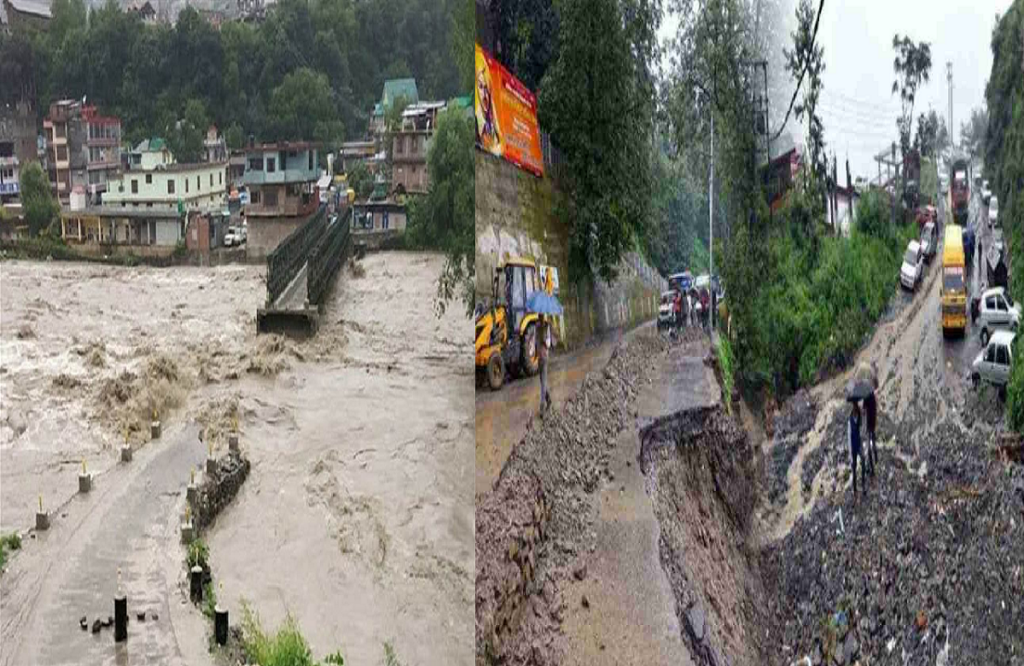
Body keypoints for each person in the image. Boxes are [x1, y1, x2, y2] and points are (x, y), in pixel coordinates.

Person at [848, 402, 866, 495]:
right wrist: (850, 454)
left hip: (859, 444)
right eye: (855, 409)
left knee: (863, 460)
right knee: (854, 468)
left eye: (857, 409)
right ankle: (854, 489)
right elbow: (848, 437)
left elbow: (861, 428)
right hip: (853, 446)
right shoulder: (850, 421)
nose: (856, 410)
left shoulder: (859, 417)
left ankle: (863, 484)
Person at [537, 314, 552, 416]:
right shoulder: (538, 327)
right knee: (542, 381)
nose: (541, 318)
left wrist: (544, 340)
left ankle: (542, 407)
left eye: (541, 316)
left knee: (543, 382)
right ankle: (549, 399)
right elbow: (535, 341)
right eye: (540, 316)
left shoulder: (546, 327)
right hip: (540, 357)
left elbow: (548, 343)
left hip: (544, 357)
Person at [864, 390, 878, 476]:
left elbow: (863, 410)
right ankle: (876, 458)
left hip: (869, 426)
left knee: (868, 448)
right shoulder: (873, 397)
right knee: (874, 442)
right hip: (873, 424)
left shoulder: (866, 398)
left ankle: (871, 470)